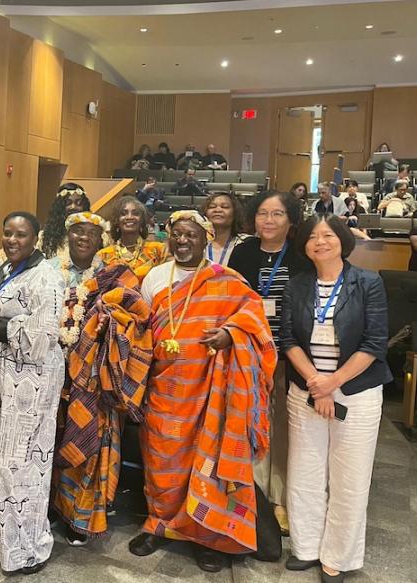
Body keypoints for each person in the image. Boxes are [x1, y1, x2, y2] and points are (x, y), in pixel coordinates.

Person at [131, 211, 275, 573]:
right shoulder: (155, 277)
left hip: (209, 391)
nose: (183, 241)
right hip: (163, 388)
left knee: (205, 462)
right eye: (177, 234)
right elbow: (142, 329)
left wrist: (231, 334)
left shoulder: (226, 280)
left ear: (206, 238)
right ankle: (159, 524)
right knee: (161, 461)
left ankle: (204, 535)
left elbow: (254, 316)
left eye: (191, 235)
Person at [280, 215, 391, 582]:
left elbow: (374, 344)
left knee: (350, 476)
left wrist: (334, 383)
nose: (320, 242)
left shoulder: (368, 282)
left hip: (356, 392)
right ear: (304, 246)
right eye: (312, 237)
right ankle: (307, 547)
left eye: (328, 235)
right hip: (305, 390)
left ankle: (337, 558)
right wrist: (315, 381)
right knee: (305, 472)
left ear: (343, 240)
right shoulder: (297, 286)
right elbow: (289, 341)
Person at [50, 213, 153, 546]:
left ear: (101, 240)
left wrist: (106, 319)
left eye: (91, 234)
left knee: (92, 445)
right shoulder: (51, 272)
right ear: (68, 236)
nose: (83, 238)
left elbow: (135, 314)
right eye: (77, 231)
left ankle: (79, 518)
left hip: (97, 377)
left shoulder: (112, 274)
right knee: (52, 441)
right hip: (54, 373)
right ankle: (52, 507)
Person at [0, 211, 65, 574]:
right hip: (2, 373)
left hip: (32, 379)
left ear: (35, 238)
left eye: (21, 234)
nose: (13, 240)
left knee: (22, 462)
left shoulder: (46, 276)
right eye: (7, 233)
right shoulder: (6, 271)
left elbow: (43, 337)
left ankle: (26, 548)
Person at [228, 190, 312, 536]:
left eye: (277, 214)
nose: (269, 220)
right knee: (251, 423)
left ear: (291, 219)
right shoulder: (243, 252)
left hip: (288, 354)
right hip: (249, 353)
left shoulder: (300, 255)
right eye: (263, 213)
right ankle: (254, 497)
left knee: (283, 427)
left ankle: (280, 500)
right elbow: (230, 297)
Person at [97, 195, 166, 281]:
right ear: (116, 220)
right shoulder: (103, 255)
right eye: (123, 214)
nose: (129, 217)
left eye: (135, 213)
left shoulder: (159, 250)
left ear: (142, 220)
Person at [49, 212, 106, 289]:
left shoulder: (107, 273)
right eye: (79, 231)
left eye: (92, 233)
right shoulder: (49, 269)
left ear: (99, 240)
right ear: (68, 235)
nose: (85, 237)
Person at [40, 182, 91, 259]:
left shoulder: (95, 234)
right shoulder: (45, 236)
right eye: (68, 203)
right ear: (60, 207)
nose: (73, 207)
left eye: (78, 203)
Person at [203, 191, 248, 266]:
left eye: (225, 207)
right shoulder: (196, 243)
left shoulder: (246, 243)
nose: (217, 210)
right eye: (212, 207)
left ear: (235, 213)